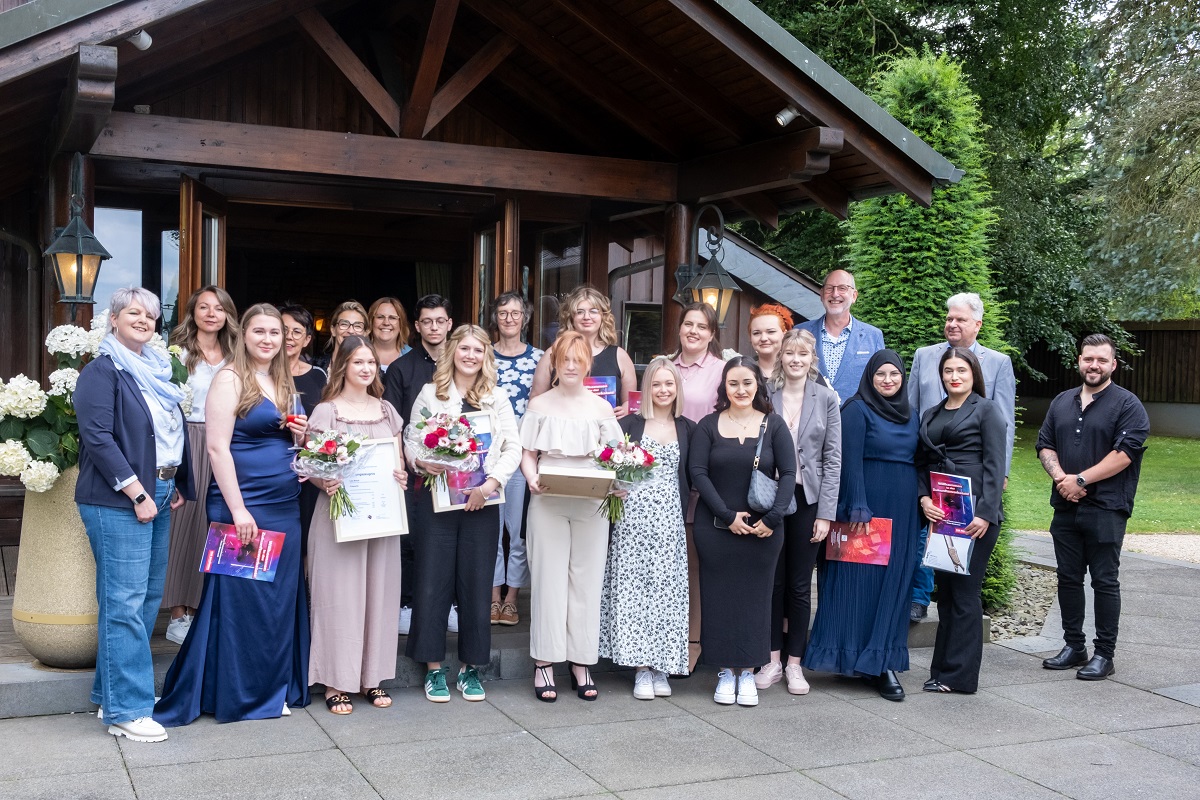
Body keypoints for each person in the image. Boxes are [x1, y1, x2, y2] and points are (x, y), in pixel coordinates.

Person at [155, 304, 310, 725]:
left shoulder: (282, 378)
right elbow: (216, 448)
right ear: (244, 335)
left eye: (275, 333)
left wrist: (300, 434)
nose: (267, 339)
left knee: (276, 600)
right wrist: (239, 510)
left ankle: (271, 685)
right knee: (242, 601)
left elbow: (285, 438)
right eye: (258, 331)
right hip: (242, 505)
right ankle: (240, 694)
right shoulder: (229, 379)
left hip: (283, 505)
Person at [75, 287, 193, 743]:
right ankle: (128, 709)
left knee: (144, 601)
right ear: (114, 319)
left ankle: (111, 694)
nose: (144, 319)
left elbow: (164, 434)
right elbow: (99, 438)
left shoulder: (157, 370)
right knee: (124, 602)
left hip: (160, 490)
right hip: (118, 497)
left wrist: (172, 484)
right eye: (133, 313)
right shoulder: (101, 372)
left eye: (149, 314)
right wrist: (139, 492)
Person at [405, 324, 522, 703]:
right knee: (432, 582)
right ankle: (434, 669)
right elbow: (410, 437)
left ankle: (471, 669)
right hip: (437, 502)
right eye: (464, 349)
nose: (470, 356)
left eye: (478, 350)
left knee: (475, 585)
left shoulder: (497, 396)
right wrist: (421, 461)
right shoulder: (430, 393)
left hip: (482, 502)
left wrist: (490, 485)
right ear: (452, 351)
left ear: (486, 356)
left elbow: (513, 448)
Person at [803, 350, 919, 702]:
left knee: (892, 586)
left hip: (903, 510)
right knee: (858, 585)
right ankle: (850, 657)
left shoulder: (911, 414)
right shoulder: (855, 410)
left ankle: (882, 661)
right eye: (880, 374)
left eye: (894, 374)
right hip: (864, 510)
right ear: (870, 377)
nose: (887, 380)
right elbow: (847, 461)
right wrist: (857, 507)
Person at [1036, 334, 1149, 681]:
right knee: (1068, 578)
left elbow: (1125, 454)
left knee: (1104, 580)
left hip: (1107, 507)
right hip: (1065, 506)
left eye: (1101, 360)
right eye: (1088, 359)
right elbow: (1044, 445)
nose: (1094, 365)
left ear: (1113, 365)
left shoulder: (1128, 405)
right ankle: (1074, 646)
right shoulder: (1061, 402)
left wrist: (1080, 480)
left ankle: (1104, 654)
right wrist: (1061, 480)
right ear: (1079, 361)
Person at [306, 335, 406, 715]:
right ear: (343, 366)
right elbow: (312, 464)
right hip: (339, 517)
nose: (366, 368)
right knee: (340, 597)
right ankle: (336, 681)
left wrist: (400, 476)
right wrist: (323, 480)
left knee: (379, 594)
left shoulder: (386, 411)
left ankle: (372, 678)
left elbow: (398, 461)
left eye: (370, 363)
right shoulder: (327, 412)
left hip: (381, 516)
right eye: (357, 362)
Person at [520, 332, 622, 702]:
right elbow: (528, 453)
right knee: (548, 579)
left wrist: (619, 483)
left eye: (578, 360)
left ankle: (581, 661)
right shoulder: (540, 404)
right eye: (565, 359)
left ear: (588, 364)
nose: (572, 366)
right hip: (548, 499)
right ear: (556, 363)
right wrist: (531, 478)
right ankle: (544, 661)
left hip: (591, 502)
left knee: (586, 581)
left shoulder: (601, 409)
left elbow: (616, 457)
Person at [689, 356, 796, 707]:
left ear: (757, 386)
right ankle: (724, 671)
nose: (740, 390)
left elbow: (789, 475)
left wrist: (773, 519)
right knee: (718, 598)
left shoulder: (774, 425)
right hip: (716, 527)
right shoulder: (707, 425)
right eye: (733, 383)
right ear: (724, 388)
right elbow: (698, 474)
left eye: (747, 383)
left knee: (756, 599)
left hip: (764, 531)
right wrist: (725, 514)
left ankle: (749, 670)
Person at [907, 292, 1016, 622]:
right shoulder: (925, 356)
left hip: (973, 483)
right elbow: (912, 414)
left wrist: (1001, 475)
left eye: (961, 319)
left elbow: (1005, 423)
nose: (952, 324)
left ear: (978, 324)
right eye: (949, 318)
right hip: (933, 479)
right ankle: (919, 597)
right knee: (930, 548)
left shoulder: (997, 363)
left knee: (964, 584)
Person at [600, 357, 695, 699]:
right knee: (635, 590)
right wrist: (611, 486)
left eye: (669, 384)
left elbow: (696, 473)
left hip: (670, 520)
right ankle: (640, 668)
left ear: (677, 388)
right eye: (657, 384)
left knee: (666, 592)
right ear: (647, 388)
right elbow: (608, 463)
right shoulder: (630, 424)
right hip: (632, 517)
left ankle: (662, 665)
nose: (663, 390)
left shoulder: (688, 427)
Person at [916, 348, 1006, 693]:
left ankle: (961, 677)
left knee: (966, 594)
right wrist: (923, 499)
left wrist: (985, 513)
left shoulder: (986, 410)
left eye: (961, 371)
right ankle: (941, 671)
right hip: (943, 513)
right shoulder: (932, 412)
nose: (954, 376)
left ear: (973, 375)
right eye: (948, 370)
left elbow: (996, 466)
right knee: (948, 595)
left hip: (974, 516)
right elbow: (921, 462)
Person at [757, 329, 841, 696]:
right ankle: (772, 659)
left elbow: (833, 459)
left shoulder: (826, 398)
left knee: (799, 585)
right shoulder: (766, 395)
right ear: (781, 356)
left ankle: (795, 664)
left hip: (808, 500)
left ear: (811, 360)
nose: (795, 359)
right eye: (789, 353)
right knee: (772, 581)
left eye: (802, 354)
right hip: (772, 498)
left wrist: (826, 513)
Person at [161, 286, 237, 646]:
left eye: (218, 308)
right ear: (192, 312)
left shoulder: (237, 354)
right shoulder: (176, 352)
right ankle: (178, 614)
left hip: (229, 442)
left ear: (227, 315)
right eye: (203, 307)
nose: (211, 313)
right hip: (188, 439)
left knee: (222, 525)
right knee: (185, 524)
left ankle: (214, 610)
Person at [382, 294, 454, 635]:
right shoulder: (401, 368)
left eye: (440, 320)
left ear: (449, 323)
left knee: (450, 537)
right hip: (414, 469)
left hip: (459, 470)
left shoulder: (463, 362)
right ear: (417, 326)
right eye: (427, 321)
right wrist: (401, 463)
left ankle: (449, 603)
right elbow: (392, 423)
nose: (434, 327)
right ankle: (408, 604)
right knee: (411, 539)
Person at [671, 302, 726, 671]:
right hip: (667, 473)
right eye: (688, 324)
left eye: (701, 326)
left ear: (711, 334)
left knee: (698, 563)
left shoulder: (723, 370)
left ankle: (697, 639)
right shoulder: (663, 366)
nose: (693, 331)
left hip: (706, 473)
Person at [489, 291, 543, 626]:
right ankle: (493, 595)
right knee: (491, 531)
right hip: (491, 455)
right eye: (503, 313)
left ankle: (512, 598)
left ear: (526, 317)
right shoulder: (484, 356)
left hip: (524, 454)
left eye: (516, 313)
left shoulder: (539, 357)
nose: (510, 318)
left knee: (518, 530)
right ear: (495, 317)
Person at [530, 285, 637, 418]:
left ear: (603, 316)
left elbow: (632, 403)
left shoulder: (620, 356)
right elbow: (535, 401)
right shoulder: (553, 353)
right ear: (571, 317)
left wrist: (627, 408)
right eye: (580, 312)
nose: (587, 317)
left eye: (593, 311)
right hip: (563, 432)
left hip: (608, 433)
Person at [280, 303, 328, 559]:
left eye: (297, 332)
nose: (289, 337)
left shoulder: (318, 376)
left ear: (308, 339)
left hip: (309, 473)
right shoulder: (259, 374)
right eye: (283, 329)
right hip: (271, 469)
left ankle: (304, 599)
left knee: (308, 542)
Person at [797, 270, 885, 402]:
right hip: (810, 418)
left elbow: (880, 382)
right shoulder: (801, 332)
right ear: (821, 294)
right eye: (829, 288)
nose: (835, 294)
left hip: (857, 418)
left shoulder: (873, 336)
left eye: (842, 288)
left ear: (854, 296)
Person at [314, 300, 368, 370]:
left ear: (364, 333)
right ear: (333, 330)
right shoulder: (315, 366)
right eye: (344, 324)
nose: (351, 331)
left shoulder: (374, 372)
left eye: (358, 326)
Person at [746, 303, 793, 380]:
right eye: (756, 333)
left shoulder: (800, 370)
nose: (763, 338)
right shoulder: (742, 371)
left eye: (771, 332)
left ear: (784, 334)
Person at [369, 296, 412, 372]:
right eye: (380, 317)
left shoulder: (412, 356)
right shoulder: (358, 354)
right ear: (371, 321)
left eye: (392, 318)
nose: (386, 323)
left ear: (401, 324)